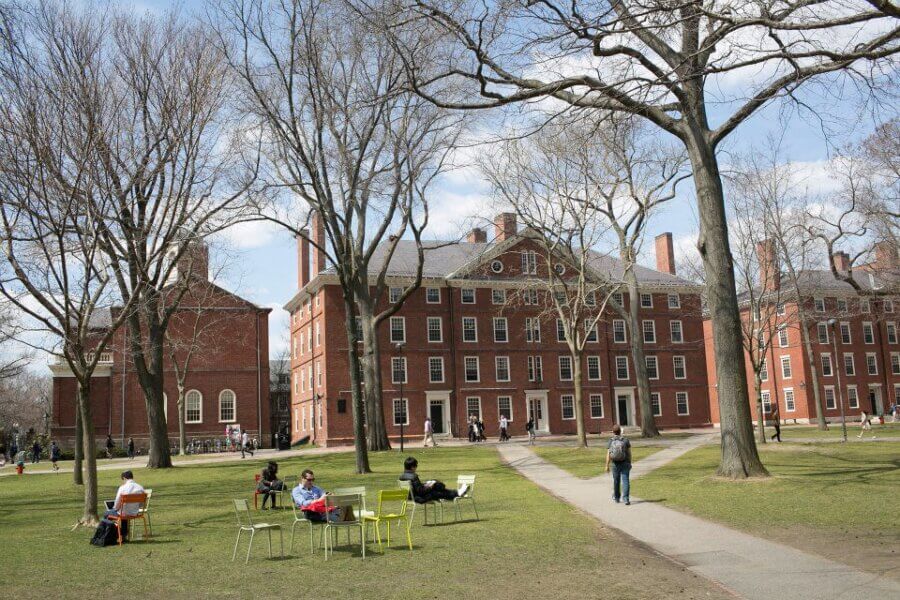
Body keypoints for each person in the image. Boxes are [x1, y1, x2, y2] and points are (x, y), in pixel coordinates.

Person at [399, 456, 468, 503]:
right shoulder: (414, 476)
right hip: (420, 498)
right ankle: (457, 493)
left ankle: (457, 493)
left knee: (436, 486)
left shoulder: (401, 477)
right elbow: (421, 492)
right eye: (416, 466)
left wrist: (425, 484)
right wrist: (430, 486)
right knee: (437, 489)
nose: (416, 468)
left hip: (410, 497)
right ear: (412, 467)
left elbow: (415, 489)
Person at [103, 470, 146, 539]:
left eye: (123, 480)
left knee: (106, 513)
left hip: (123, 513)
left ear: (124, 478)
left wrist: (115, 508)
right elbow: (141, 504)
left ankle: (109, 535)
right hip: (134, 513)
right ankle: (124, 534)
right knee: (123, 512)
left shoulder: (122, 488)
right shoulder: (140, 487)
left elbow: (117, 504)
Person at [605, 425, 632, 505]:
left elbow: (608, 454)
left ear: (613, 432)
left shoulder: (611, 441)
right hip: (625, 463)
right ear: (620, 431)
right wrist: (629, 462)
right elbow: (629, 453)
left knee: (616, 481)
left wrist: (607, 465)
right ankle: (626, 499)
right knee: (625, 480)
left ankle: (617, 498)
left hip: (615, 464)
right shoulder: (626, 440)